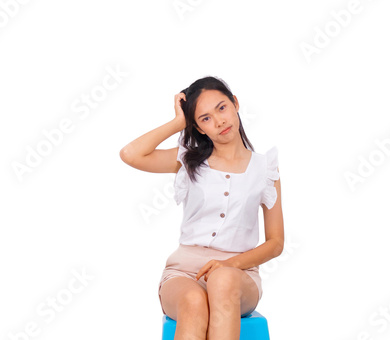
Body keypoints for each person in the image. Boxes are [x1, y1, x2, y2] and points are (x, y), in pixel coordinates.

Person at [119, 76, 284, 340]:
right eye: (205, 118)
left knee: (223, 279)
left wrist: (229, 264)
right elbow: (130, 154)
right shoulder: (188, 159)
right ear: (197, 127)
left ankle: (226, 273)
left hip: (239, 275)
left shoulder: (265, 169)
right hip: (184, 272)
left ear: (235, 104)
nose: (219, 121)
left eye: (221, 108)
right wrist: (177, 123)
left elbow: (276, 243)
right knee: (194, 302)